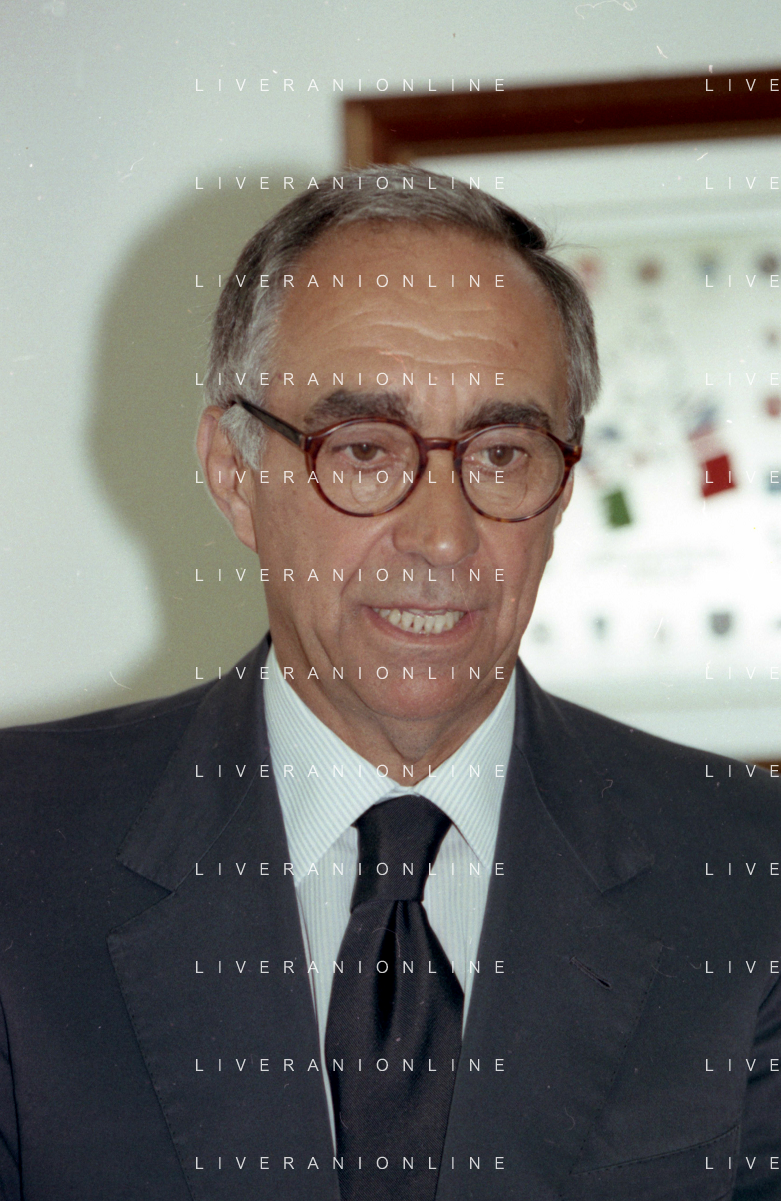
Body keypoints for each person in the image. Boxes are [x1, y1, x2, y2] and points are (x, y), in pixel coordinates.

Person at [0, 167, 778, 1201]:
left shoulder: (751, 875)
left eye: (501, 454)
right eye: (364, 450)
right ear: (235, 475)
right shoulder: (21, 845)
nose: (441, 538)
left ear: (560, 492)